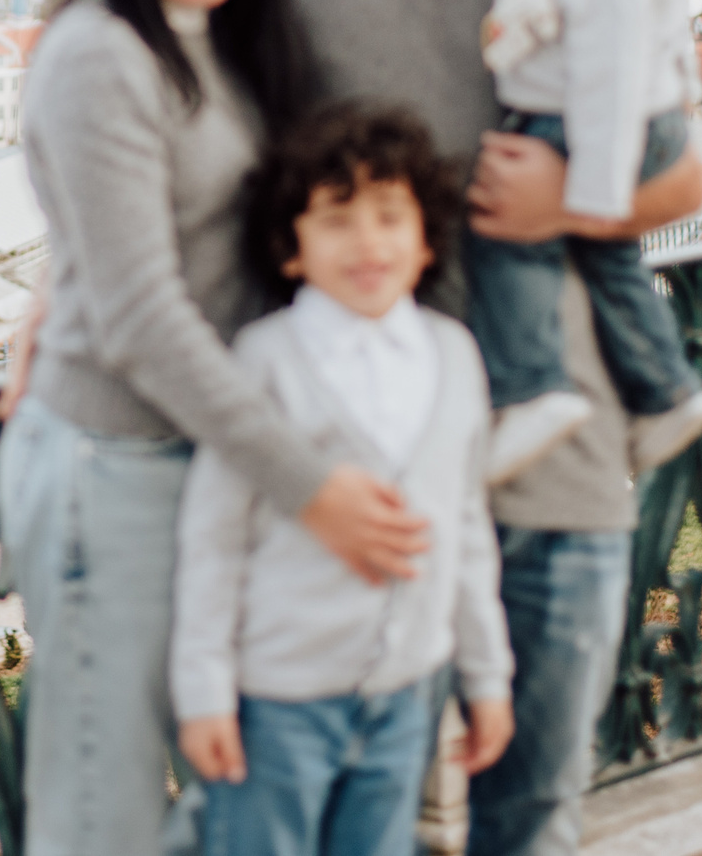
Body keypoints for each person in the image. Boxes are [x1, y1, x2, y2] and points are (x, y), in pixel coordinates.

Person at [279, 0, 702, 856]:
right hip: (372, 475)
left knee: (533, 816)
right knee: (358, 822)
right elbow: (208, 164)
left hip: (559, 461)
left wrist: (573, 201)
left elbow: (684, 171)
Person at [2, 0, 428, 856]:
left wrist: (60, 282)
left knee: (226, 781)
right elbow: (144, 313)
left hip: (194, 461)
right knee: (101, 800)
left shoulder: (217, 39)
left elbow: (151, 243)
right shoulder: (103, 50)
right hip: (116, 461)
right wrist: (311, 482)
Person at [173, 105, 513, 856]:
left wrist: (486, 674)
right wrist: (203, 690)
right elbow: (213, 536)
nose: (367, 242)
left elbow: (465, 528)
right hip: (280, 697)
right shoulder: (265, 359)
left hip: (407, 689)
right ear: (290, 248)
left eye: (390, 216)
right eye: (337, 218)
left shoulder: (453, 354)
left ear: (425, 240)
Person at [465, 0, 702, 483]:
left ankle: (533, 387)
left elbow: (611, 78)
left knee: (505, 233)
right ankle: (665, 392)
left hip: (598, 125)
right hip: (613, 118)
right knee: (611, 266)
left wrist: (593, 200)